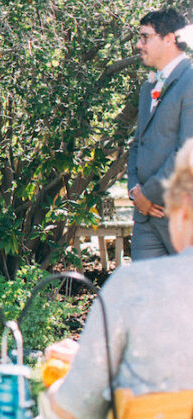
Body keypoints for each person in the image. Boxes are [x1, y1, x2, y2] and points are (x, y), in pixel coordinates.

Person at [47, 137, 193, 418]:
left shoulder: (134, 286)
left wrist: (70, 378)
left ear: (184, 208)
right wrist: (94, 363)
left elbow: (74, 408)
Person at [127, 8, 193, 259]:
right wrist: (135, 191)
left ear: (169, 39)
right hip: (145, 218)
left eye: (145, 37)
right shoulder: (148, 88)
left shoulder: (190, 81)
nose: (138, 45)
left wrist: (149, 194)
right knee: (144, 284)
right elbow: (138, 144)